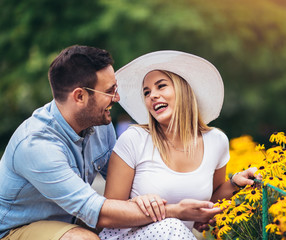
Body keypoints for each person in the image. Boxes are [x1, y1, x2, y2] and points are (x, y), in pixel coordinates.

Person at [0, 45, 223, 240]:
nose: (117, 98)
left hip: (70, 221)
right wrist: (174, 211)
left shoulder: (100, 126)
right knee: (81, 239)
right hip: (16, 229)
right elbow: (98, 211)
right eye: (110, 91)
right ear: (80, 97)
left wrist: (143, 198)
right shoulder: (38, 145)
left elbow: (126, 184)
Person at [99, 51, 261, 239]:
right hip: (126, 235)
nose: (152, 95)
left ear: (183, 89)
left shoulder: (216, 141)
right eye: (147, 92)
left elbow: (209, 201)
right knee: (171, 227)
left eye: (161, 86)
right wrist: (139, 204)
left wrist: (234, 183)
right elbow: (107, 215)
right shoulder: (134, 139)